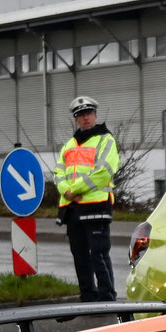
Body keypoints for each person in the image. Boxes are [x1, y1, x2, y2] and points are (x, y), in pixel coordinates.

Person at [51, 95, 122, 302]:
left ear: (95, 115)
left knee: (98, 254)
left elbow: (104, 171)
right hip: (72, 208)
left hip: (96, 206)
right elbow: (58, 172)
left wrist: (75, 188)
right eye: (81, 115)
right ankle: (88, 296)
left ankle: (107, 297)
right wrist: (66, 190)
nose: (85, 118)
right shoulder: (69, 145)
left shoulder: (105, 139)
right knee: (80, 255)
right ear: (76, 119)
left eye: (88, 113)